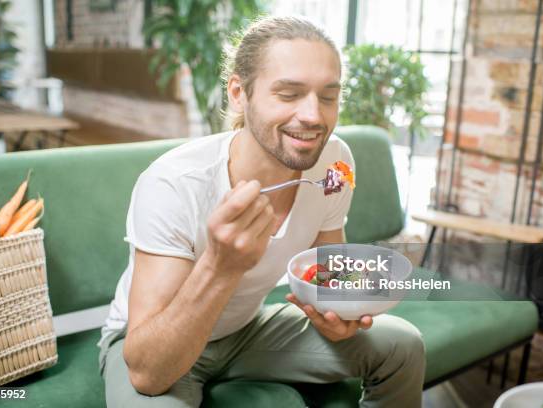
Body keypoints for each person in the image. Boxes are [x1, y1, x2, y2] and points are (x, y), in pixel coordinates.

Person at [98, 15, 426, 408]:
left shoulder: (334, 163)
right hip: (156, 343)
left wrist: (340, 311)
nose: (314, 116)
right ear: (238, 93)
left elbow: (328, 271)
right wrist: (221, 266)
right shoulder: (174, 182)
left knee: (403, 345)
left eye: (328, 96)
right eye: (289, 94)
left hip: (246, 329)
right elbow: (148, 374)